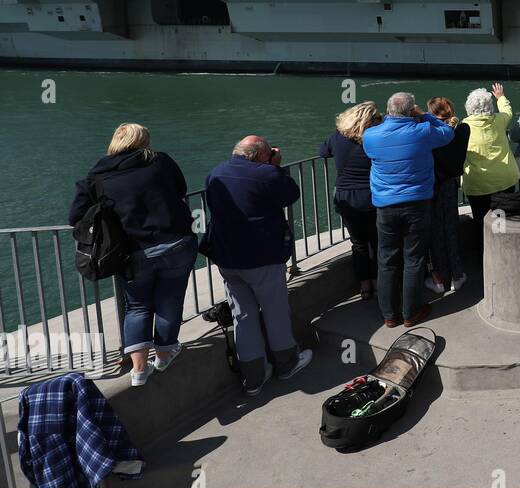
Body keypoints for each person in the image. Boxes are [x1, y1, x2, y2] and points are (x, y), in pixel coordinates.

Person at [68, 124, 198, 387]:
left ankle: (139, 370)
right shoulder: (160, 161)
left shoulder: (98, 175)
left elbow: (75, 216)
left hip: (133, 252)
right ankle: (163, 355)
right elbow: (181, 189)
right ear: (144, 141)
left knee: (137, 307)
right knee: (169, 300)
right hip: (176, 243)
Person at [202, 136, 312, 396]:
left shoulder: (215, 172)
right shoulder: (267, 174)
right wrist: (275, 166)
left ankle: (254, 377)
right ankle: (287, 363)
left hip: (227, 257)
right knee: (275, 310)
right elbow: (291, 194)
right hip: (262, 257)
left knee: (243, 315)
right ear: (262, 155)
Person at [362, 92, 454, 328]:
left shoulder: (370, 136)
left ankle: (389, 315)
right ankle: (410, 312)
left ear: (388, 109)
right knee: (414, 259)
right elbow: (448, 133)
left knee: (387, 260)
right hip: (417, 204)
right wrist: (426, 117)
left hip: (384, 207)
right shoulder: (422, 131)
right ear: (412, 110)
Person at [319, 101, 382, 299]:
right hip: (371, 196)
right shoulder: (375, 139)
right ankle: (379, 283)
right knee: (377, 241)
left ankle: (365, 286)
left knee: (358, 243)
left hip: (345, 197)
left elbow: (323, 152)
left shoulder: (336, 138)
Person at [428, 96, 471, 294]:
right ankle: (457, 274)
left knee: (435, 232)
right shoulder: (462, 130)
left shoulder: (431, 134)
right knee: (451, 229)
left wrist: (424, 117)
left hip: (432, 186)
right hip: (451, 185)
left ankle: (440, 277)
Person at [462, 84, 519, 225]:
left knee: (480, 220)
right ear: (490, 106)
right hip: (504, 180)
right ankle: (501, 245)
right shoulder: (499, 120)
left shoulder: (463, 127)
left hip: (477, 183)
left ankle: (482, 245)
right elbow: (508, 111)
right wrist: (501, 97)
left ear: (468, 106)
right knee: (501, 220)